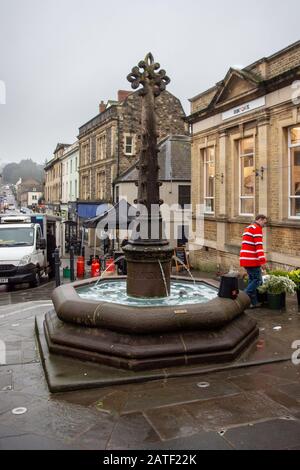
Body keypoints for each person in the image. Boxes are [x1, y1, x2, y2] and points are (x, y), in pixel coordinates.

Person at [240, 214, 267, 308]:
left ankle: (253, 303)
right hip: (251, 260)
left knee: (252, 280)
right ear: (260, 220)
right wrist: (262, 262)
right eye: (264, 222)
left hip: (245, 258)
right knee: (257, 280)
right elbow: (259, 247)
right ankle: (241, 298)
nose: (264, 225)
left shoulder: (248, 228)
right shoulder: (257, 229)